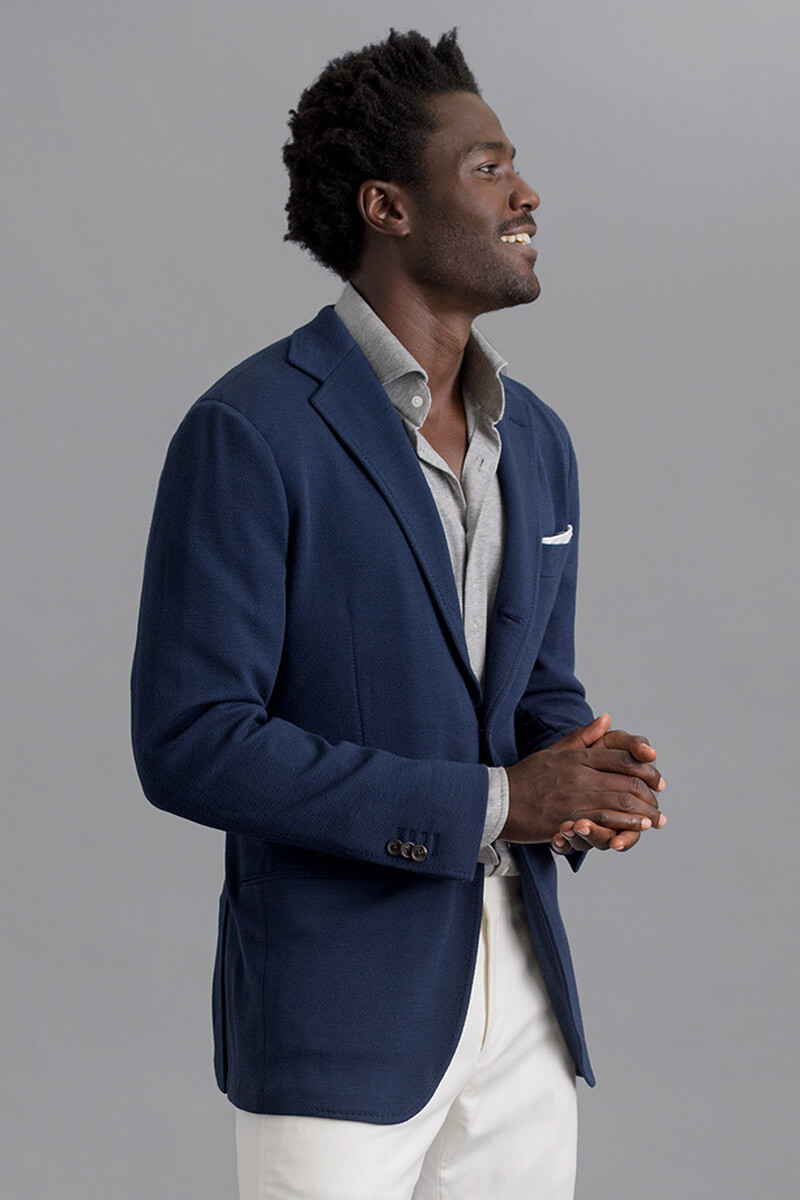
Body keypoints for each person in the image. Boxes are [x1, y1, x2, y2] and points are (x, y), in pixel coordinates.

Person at [131, 28, 666, 1200]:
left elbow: (531, 690)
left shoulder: (537, 440)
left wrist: (583, 776)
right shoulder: (250, 431)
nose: (526, 193)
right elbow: (191, 742)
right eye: (488, 168)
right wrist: (501, 802)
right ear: (388, 207)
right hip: (338, 1010)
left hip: (523, 1000)